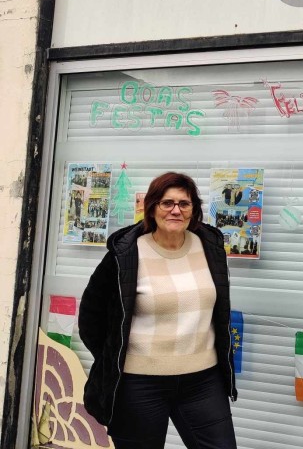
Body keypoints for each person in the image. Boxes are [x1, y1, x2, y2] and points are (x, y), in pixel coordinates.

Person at [79, 172, 238, 449]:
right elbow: (91, 318)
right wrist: (116, 358)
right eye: (167, 203)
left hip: (203, 381)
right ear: (152, 208)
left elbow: (219, 312)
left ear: (193, 210)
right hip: (139, 385)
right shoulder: (126, 253)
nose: (176, 210)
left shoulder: (210, 247)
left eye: (184, 204)